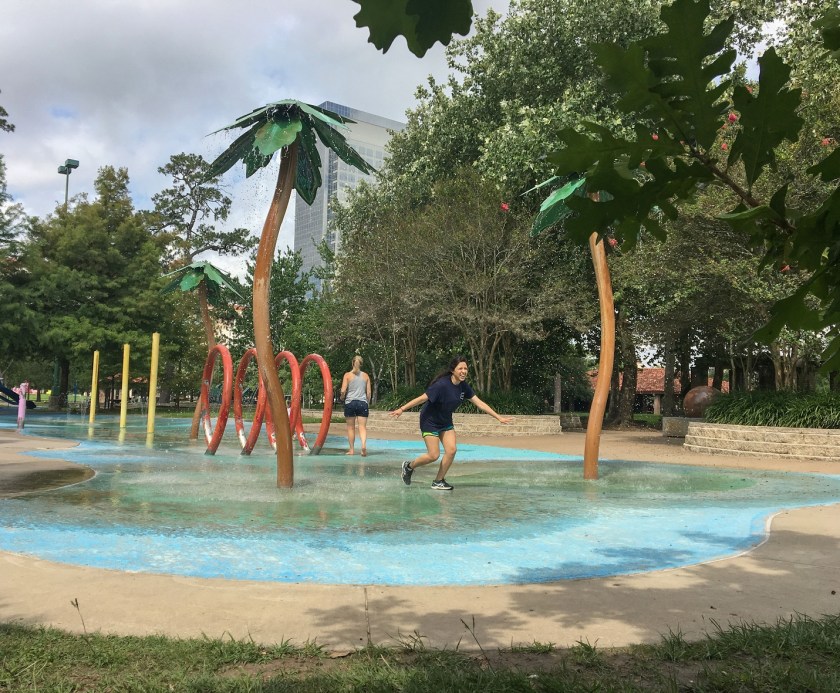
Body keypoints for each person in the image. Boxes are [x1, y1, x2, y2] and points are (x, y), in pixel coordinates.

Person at [389, 355, 513, 490]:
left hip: (446, 421)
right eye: (460, 368)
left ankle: (438, 481)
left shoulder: (463, 387)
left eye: (466, 368)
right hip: (430, 421)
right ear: (453, 370)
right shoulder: (441, 385)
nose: (464, 371)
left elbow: (479, 404)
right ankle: (409, 466)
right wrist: (401, 409)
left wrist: (498, 417)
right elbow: (422, 399)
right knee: (433, 455)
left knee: (452, 450)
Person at [340, 355, 372, 456]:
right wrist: (367, 401)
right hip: (362, 403)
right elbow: (369, 393)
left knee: (351, 428)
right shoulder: (366, 376)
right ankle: (363, 445)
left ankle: (352, 450)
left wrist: (342, 397)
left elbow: (343, 390)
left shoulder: (347, 375)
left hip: (350, 403)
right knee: (362, 427)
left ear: (352, 363)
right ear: (361, 364)